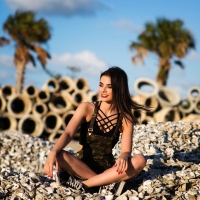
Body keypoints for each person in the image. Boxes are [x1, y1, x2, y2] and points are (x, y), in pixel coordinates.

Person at [44, 66, 149, 195]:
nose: (103, 90)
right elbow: (68, 133)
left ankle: (86, 185)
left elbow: (126, 150)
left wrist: (124, 155)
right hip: (81, 166)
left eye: (109, 87)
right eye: (101, 85)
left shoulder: (125, 117)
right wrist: (53, 152)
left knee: (140, 160)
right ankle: (105, 185)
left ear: (119, 88)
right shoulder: (87, 108)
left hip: (108, 170)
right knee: (59, 155)